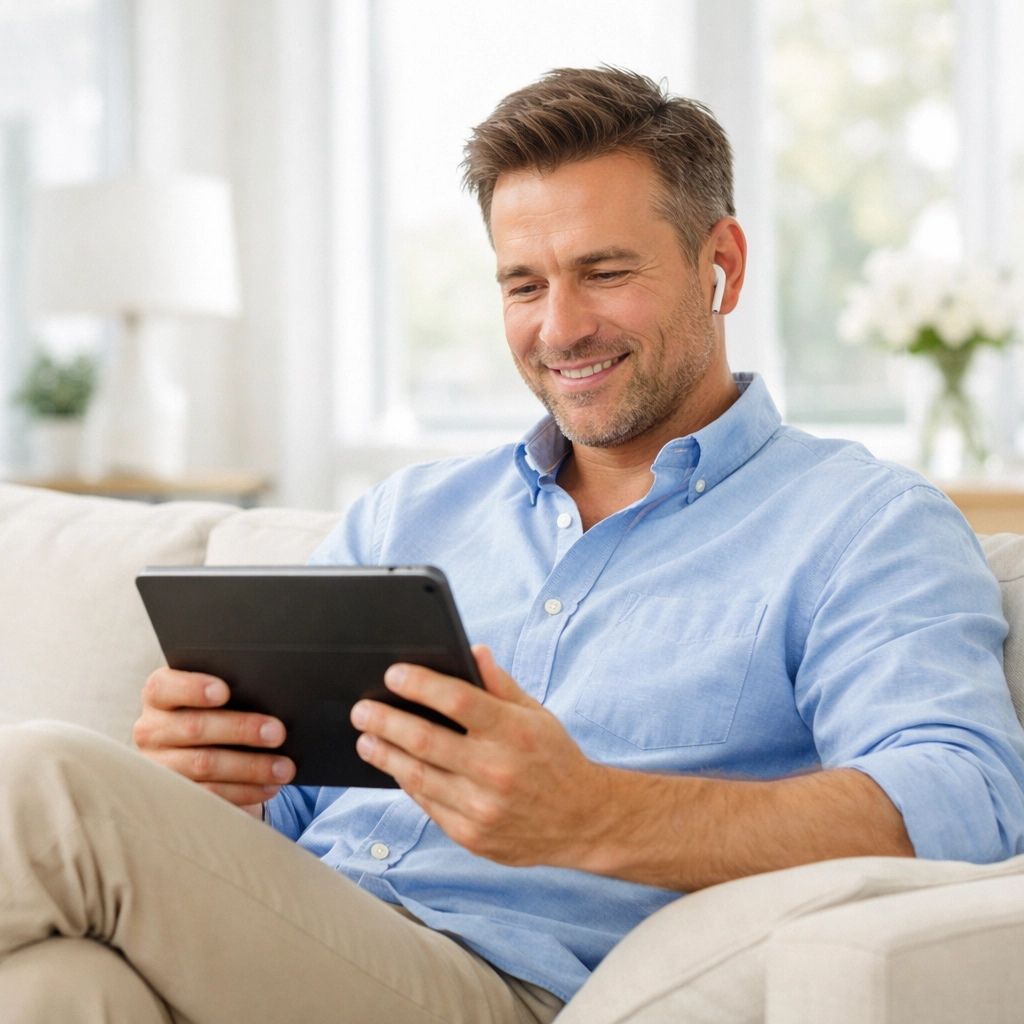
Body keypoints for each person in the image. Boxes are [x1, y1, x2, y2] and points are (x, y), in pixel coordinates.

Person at [2, 66, 1024, 1024]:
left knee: (44, 777)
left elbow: (966, 798)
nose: (560, 327)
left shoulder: (859, 521)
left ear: (722, 266)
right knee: (56, 987)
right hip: (301, 946)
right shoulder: (407, 516)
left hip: (496, 985)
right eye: (522, 284)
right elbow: (288, 813)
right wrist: (210, 782)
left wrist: (595, 814)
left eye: (604, 272)